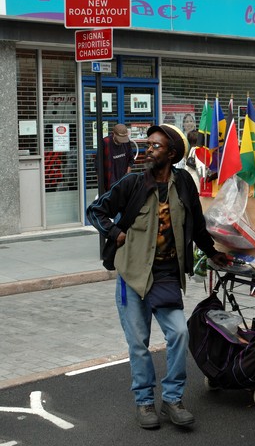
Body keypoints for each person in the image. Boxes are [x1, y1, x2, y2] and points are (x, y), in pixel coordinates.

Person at [87, 123, 228, 430]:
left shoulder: (185, 185)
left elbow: (198, 225)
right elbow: (95, 210)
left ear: (172, 154)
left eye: (155, 146)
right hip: (132, 275)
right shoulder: (132, 183)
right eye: (148, 144)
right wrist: (114, 232)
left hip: (165, 275)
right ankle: (144, 401)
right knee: (138, 342)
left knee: (178, 334)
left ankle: (173, 399)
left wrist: (212, 251)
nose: (148, 149)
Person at [96, 124, 135, 192]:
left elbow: (131, 158)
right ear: (113, 134)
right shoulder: (105, 142)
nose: (121, 141)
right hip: (109, 181)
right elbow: (97, 163)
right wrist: (100, 181)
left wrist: (128, 172)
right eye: (120, 139)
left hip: (123, 180)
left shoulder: (126, 142)